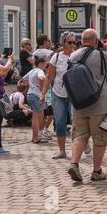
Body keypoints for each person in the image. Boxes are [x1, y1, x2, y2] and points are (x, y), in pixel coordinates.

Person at [68, 29, 107, 182]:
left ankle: (74, 164)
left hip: (78, 103)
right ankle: (97, 171)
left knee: (79, 135)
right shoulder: (101, 54)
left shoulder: (73, 55)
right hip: (99, 102)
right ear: (95, 40)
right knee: (100, 137)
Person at [40, 31, 77, 159]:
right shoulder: (56, 57)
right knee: (60, 122)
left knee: (76, 121)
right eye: (70, 42)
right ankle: (62, 150)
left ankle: (82, 143)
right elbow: (49, 77)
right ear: (63, 43)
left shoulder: (78, 56)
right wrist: (43, 93)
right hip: (58, 94)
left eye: (74, 42)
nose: (73, 45)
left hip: (75, 95)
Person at [23, 56, 49, 144]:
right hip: (36, 95)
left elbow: (22, 80)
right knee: (36, 116)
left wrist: (30, 85)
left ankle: (35, 136)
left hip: (30, 94)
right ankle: (35, 137)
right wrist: (43, 88)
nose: (46, 65)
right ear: (41, 63)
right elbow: (42, 78)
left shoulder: (32, 71)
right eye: (45, 64)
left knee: (40, 115)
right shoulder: (39, 71)